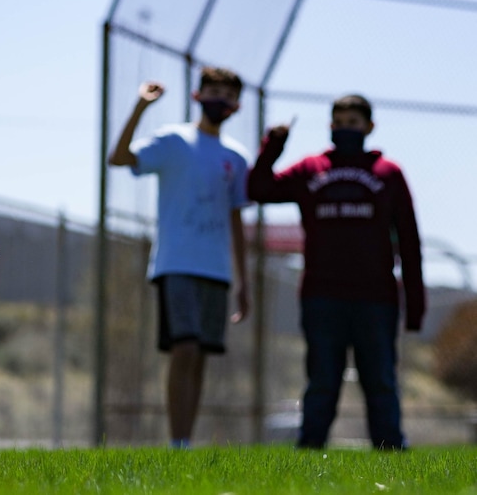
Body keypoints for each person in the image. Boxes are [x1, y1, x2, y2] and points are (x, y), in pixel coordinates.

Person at [247, 94, 426, 450]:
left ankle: (391, 452)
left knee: (380, 380)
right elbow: (258, 189)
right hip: (322, 295)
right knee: (322, 380)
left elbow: (409, 239)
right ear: (330, 126)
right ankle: (310, 450)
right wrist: (273, 147)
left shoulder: (389, 174)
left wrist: (416, 304)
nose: (346, 129)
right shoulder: (311, 169)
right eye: (339, 122)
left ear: (369, 127)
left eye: (353, 123)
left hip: (376, 297)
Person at [108, 66, 251, 449]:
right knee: (184, 348)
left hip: (216, 270)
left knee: (201, 354)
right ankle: (178, 442)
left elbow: (236, 219)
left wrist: (243, 281)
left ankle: (185, 442)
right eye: (213, 90)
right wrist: (140, 106)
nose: (219, 99)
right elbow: (118, 158)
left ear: (236, 106)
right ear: (197, 95)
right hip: (176, 264)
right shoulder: (173, 141)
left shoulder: (236, 159)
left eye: (227, 93)